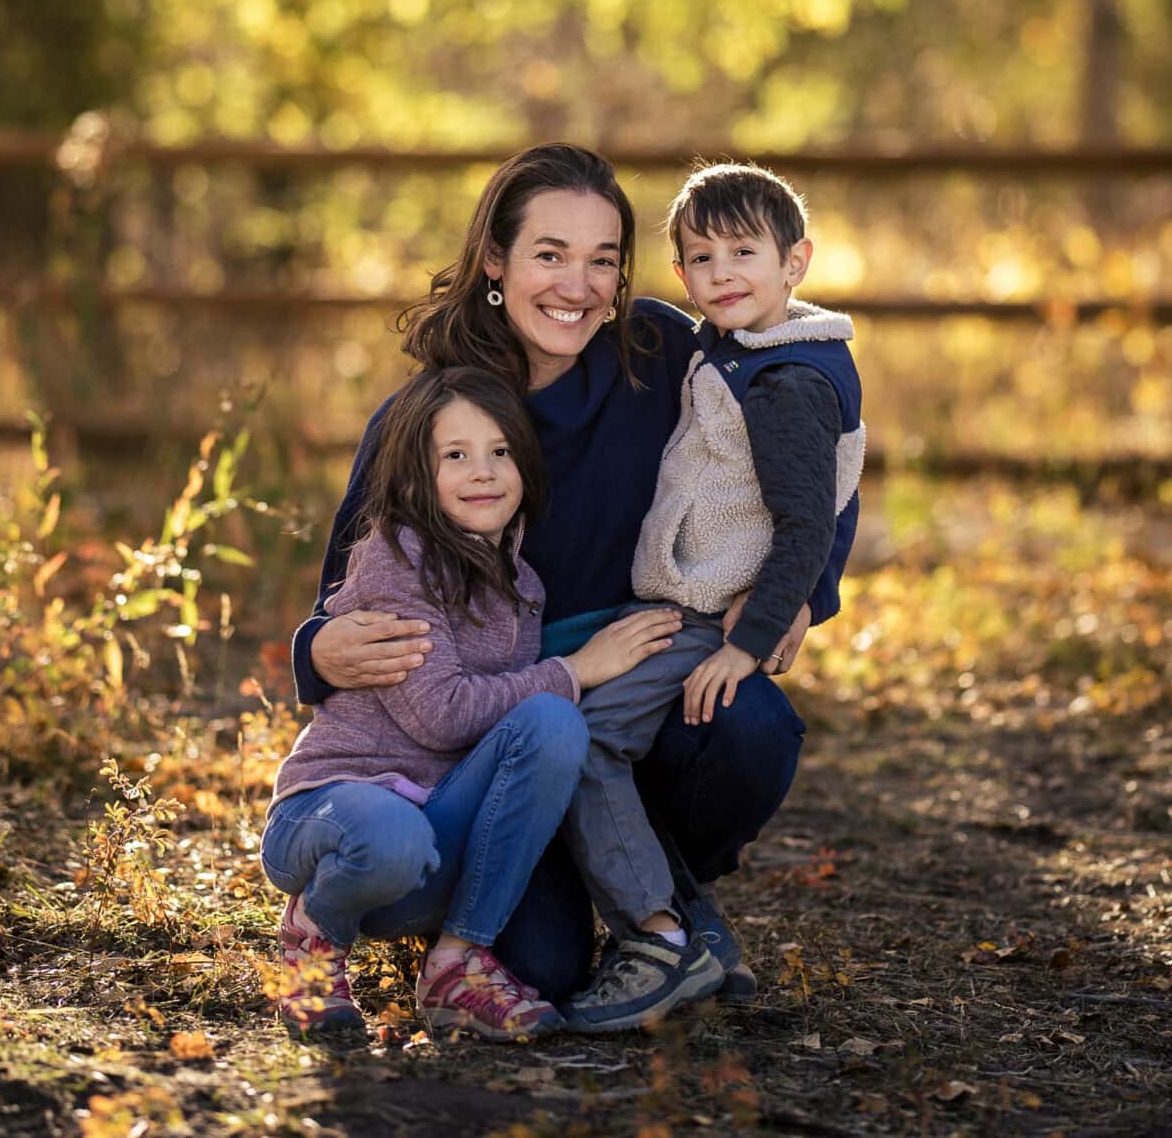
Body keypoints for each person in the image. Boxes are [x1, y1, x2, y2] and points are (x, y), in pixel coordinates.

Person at [293, 144, 845, 1002]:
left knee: (748, 724)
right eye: (550, 254)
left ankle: (664, 907)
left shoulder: (662, 353)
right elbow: (346, 592)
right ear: (496, 262)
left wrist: (808, 587)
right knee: (545, 968)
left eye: (602, 260)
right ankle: (592, 900)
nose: (577, 286)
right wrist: (317, 654)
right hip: (495, 739)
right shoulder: (433, 418)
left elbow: (811, 427)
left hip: (635, 690)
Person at [261, 365, 681, 1041]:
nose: (482, 471)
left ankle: (457, 958)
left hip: (435, 836)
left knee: (552, 725)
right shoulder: (397, 557)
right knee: (393, 832)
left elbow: (512, 729)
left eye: (500, 451)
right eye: (455, 455)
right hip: (337, 813)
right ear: (413, 478)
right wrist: (577, 668)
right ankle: (315, 933)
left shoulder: (522, 582)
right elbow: (444, 713)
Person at [556, 162, 866, 1031]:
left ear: (794, 261)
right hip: (684, 606)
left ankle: (657, 943)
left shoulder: (786, 382)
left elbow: (812, 517)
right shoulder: (745, 351)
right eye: (699, 257)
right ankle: (696, 930)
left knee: (584, 743)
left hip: (707, 617)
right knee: (591, 738)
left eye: (743, 252)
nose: (721, 272)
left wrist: (751, 635)